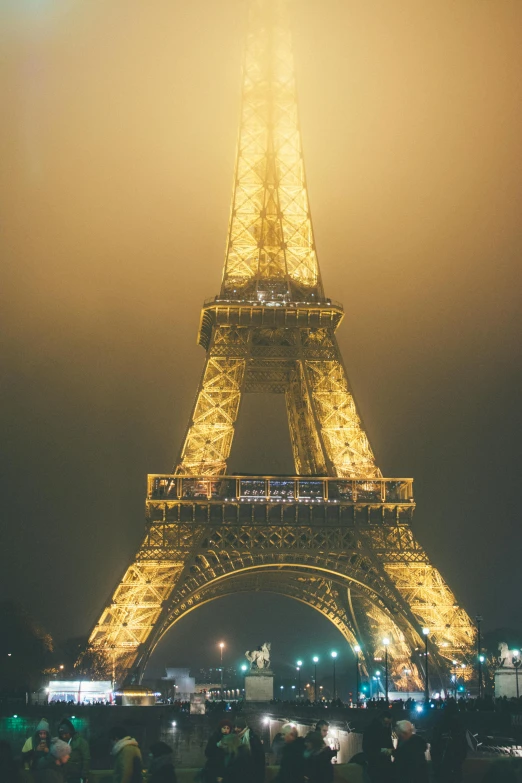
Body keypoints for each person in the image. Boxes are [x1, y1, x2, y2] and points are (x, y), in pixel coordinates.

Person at [430, 702, 468, 783]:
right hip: (455, 762)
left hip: (442, 762)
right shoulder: (459, 725)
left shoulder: (440, 724)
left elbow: (434, 743)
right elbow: (464, 745)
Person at [362, 711, 393, 783]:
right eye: (386, 723)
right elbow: (367, 748)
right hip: (376, 764)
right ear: (381, 720)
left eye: (389, 724)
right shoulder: (372, 730)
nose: (388, 725)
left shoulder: (372, 729)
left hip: (377, 765)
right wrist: (383, 750)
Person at [58, 718, 90, 783]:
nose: (64, 736)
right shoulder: (60, 743)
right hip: (64, 776)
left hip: (77, 777)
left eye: (66, 733)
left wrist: (85, 776)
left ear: (70, 732)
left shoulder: (81, 742)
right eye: (62, 734)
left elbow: (86, 759)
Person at [233, 717, 265, 783]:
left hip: (252, 773)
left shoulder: (252, 737)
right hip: (239, 773)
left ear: (243, 727)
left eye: (238, 727)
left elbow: (259, 757)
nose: (236, 729)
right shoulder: (235, 738)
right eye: (235, 727)